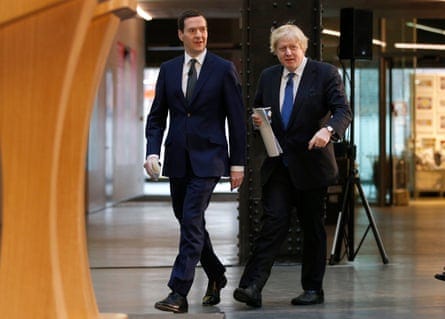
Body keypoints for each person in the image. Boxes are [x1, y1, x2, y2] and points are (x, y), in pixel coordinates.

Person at [233, 23, 352, 308]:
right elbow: (260, 114)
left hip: (312, 165)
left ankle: (313, 289)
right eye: (282, 48)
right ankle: (252, 286)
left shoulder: (324, 73)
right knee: (272, 223)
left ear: (303, 47)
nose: (288, 53)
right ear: (275, 52)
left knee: (312, 228)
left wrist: (329, 131)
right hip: (278, 166)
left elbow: (342, 111)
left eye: (293, 47)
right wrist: (256, 122)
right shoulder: (269, 76)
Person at [144, 10, 246, 314]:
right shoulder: (169, 69)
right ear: (181, 34)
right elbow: (157, 117)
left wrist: (237, 163)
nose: (199, 35)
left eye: (203, 30)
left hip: (210, 159)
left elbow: (236, 120)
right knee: (190, 220)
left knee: (190, 218)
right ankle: (216, 273)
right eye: (193, 30)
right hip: (177, 157)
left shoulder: (223, 69)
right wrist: (152, 152)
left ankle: (178, 291)